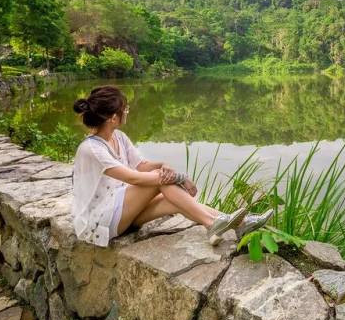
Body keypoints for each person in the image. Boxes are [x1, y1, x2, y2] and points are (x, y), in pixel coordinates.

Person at [71, 85, 273, 247]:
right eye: (125, 109)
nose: (127, 112)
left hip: (120, 211)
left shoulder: (119, 137)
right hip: (100, 221)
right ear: (113, 118)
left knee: (172, 198)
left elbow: (141, 166)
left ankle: (239, 224)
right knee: (162, 183)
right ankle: (212, 224)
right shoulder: (91, 149)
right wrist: (179, 177)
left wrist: (163, 164)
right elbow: (134, 178)